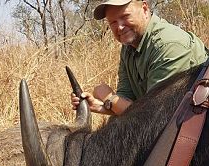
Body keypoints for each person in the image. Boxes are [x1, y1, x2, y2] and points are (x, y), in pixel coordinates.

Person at [71, 0, 208, 116]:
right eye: (112, 22)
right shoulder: (129, 46)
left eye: (125, 16)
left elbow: (152, 115)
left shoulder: (168, 44)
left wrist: (109, 97)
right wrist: (100, 106)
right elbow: (126, 99)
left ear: (144, 9)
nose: (119, 27)